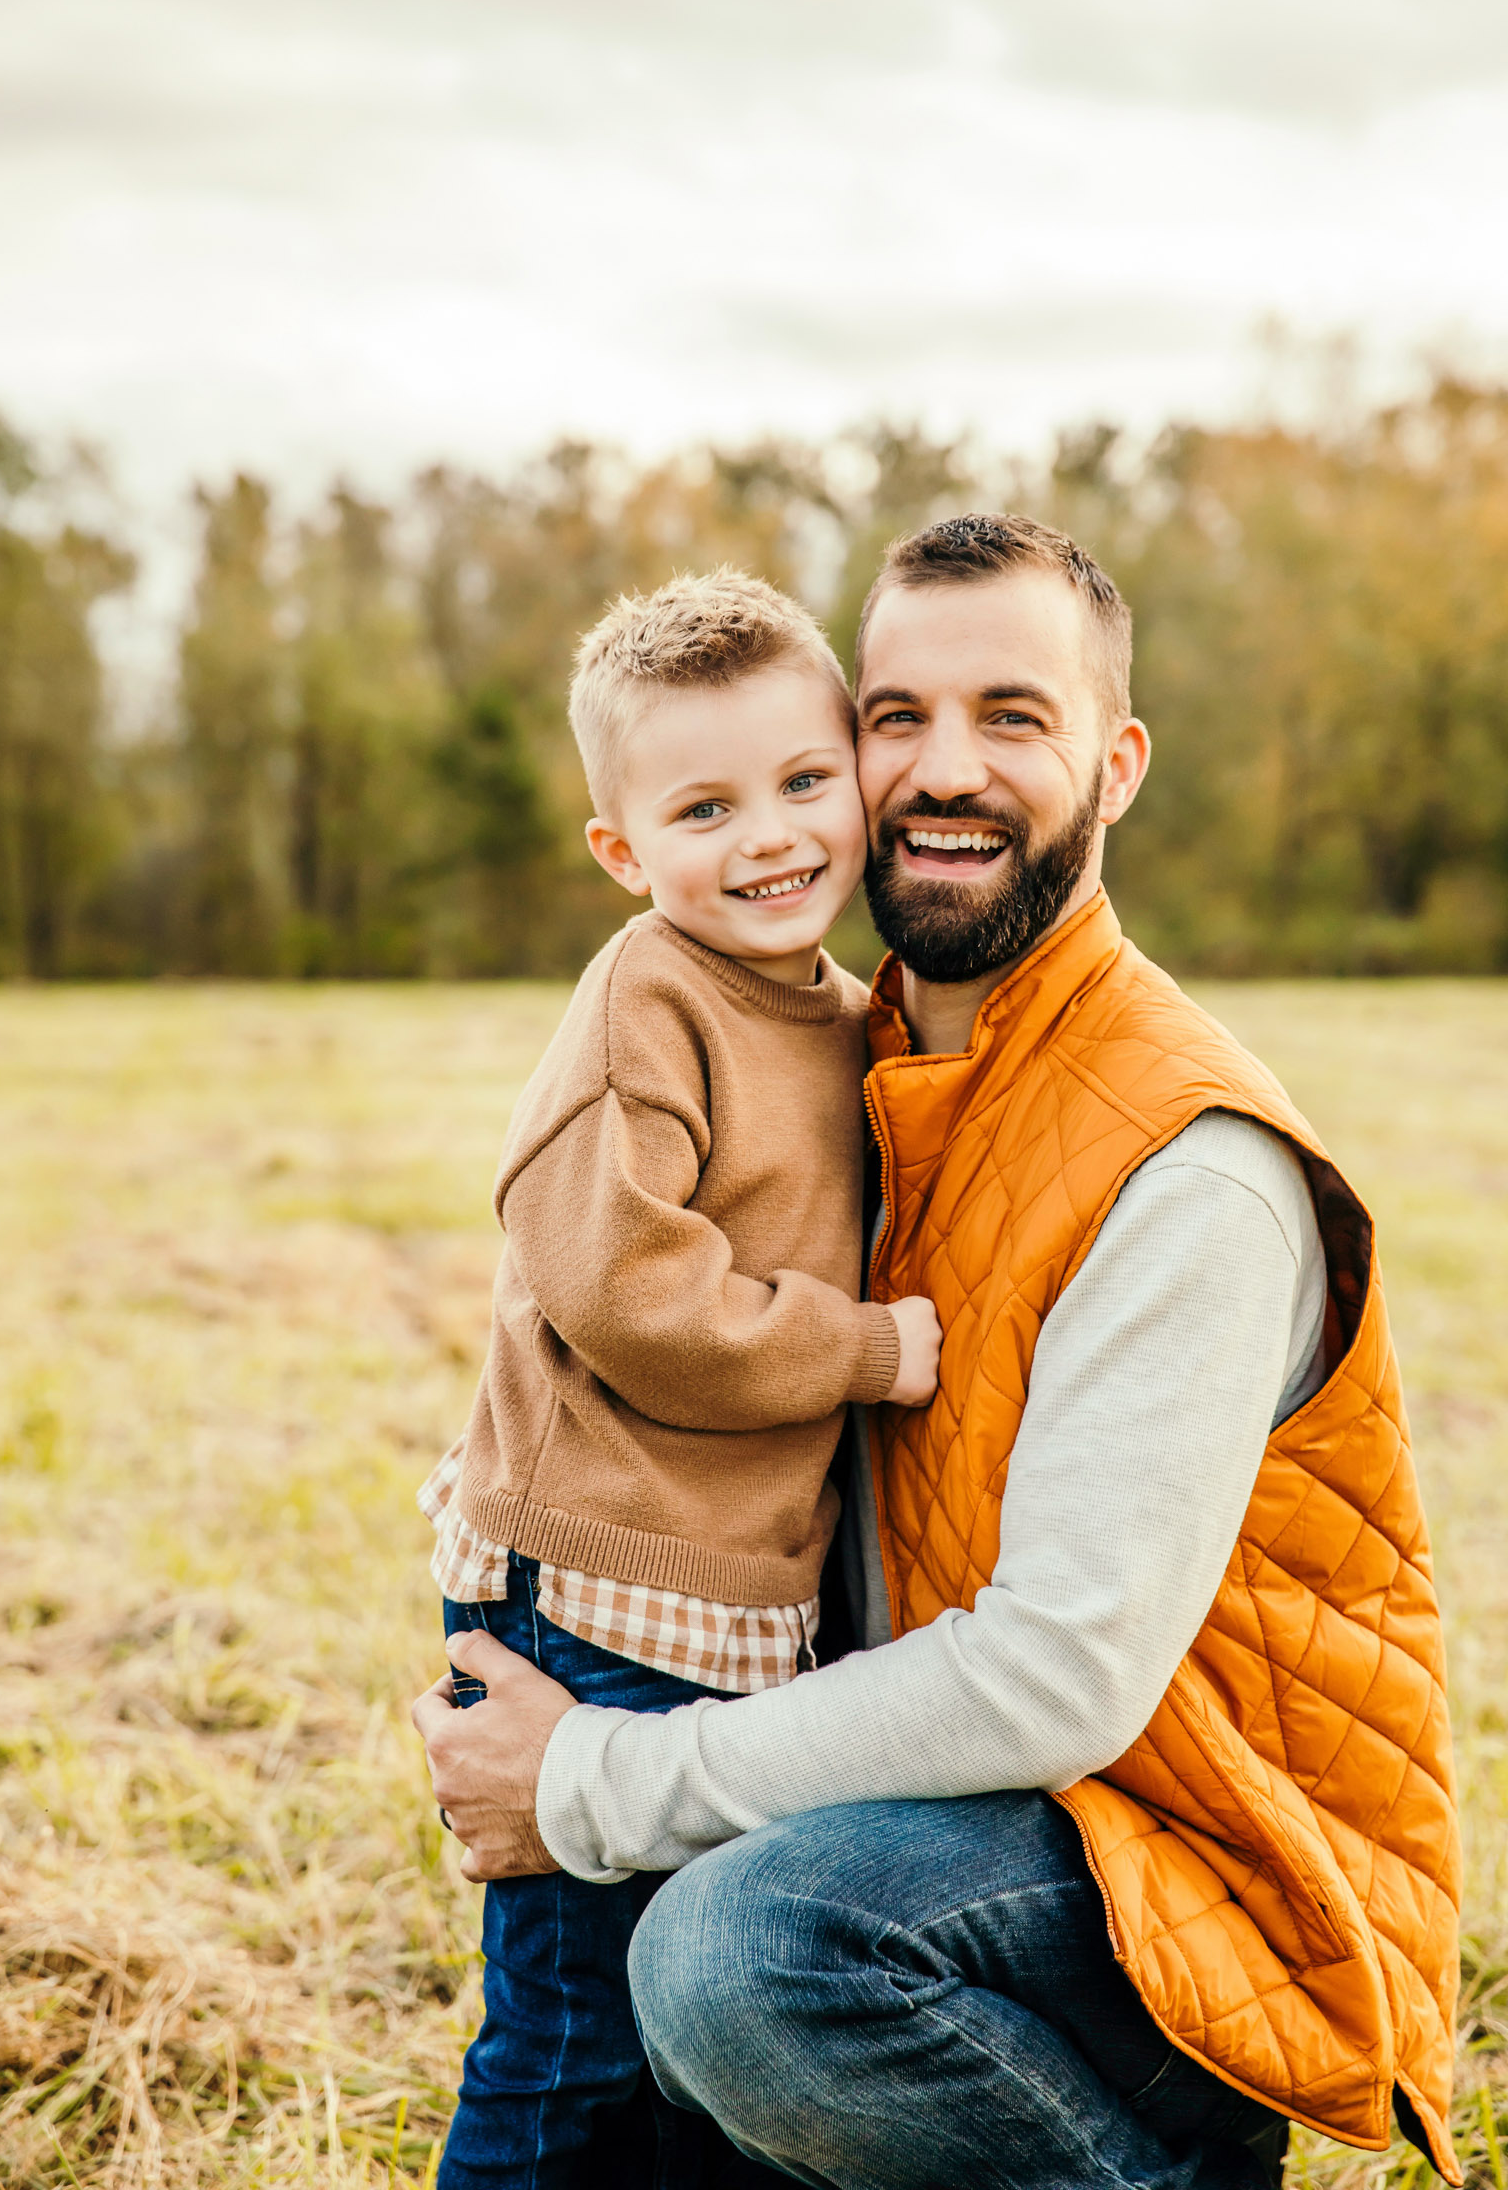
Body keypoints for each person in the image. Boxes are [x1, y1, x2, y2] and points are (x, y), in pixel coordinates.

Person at [414, 515, 1462, 2190]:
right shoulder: (863, 1062)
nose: (941, 769)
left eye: (1013, 716)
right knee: (636, 2045)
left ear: (1116, 767)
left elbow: (1056, 1676)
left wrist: (600, 1777)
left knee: (735, 1957)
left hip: (1178, 1873)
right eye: (897, 715)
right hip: (964, 1826)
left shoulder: (1192, 1169)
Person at [414, 566, 942, 2185]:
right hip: (594, 1583)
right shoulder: (647, 1002)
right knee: (572, 2045)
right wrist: (868, 1349)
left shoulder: (848, 1015)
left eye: (802, 781)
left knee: (686, 2040)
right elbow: (627, 1291)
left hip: (729, 1601)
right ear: (623, 851)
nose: (773, 834)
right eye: (705, 807)